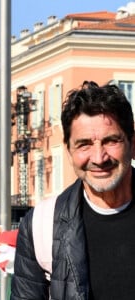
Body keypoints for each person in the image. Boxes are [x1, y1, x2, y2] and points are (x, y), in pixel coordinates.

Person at [11, 81, 135, 299]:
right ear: (68, 151)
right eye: (84, 144)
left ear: (132, 145)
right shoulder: (42, 224)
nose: (99, 158)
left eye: (111, 141)